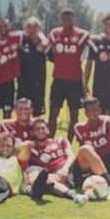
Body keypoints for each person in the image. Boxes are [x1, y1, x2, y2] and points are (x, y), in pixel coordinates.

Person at [47, 8, 90, 141]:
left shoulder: (82, 35)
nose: (67, 22)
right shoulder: (55, 33)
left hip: (75, 80)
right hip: (58, 79)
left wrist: (86, 84)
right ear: (61, 20)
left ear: (73, 19)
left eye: (69, 19)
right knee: (53, 113)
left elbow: (89, 52)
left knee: (74, 115)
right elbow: (47, 50)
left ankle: (69, 144)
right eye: (64, 20)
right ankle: (49, 142)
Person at [17, 17, 49, 117]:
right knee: (23, 109)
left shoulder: (44, 44)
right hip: (23, 81)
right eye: (29, 28)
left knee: (37, 110)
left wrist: (43, 40)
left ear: (39, 29)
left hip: (39, 81)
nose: (32, 30)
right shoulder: (22, 42)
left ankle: (35, 131)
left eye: (34, 28)